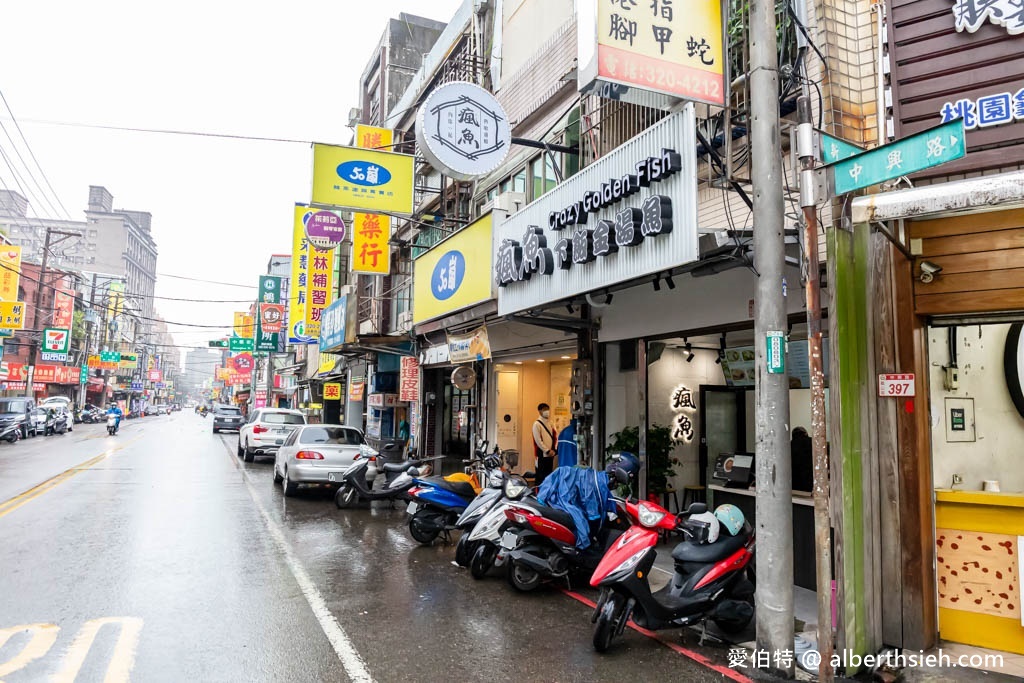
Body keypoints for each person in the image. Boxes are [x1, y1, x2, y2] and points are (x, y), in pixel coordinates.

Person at [531, 403, 557, 486]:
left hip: (550, 455)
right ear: (539, 411)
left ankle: (547, 494)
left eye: (548, 409)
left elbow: (555, 436)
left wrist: (554, 450)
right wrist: (547, 450)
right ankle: (539, 495)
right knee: (540, 476)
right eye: (544, 409)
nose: (547, 411)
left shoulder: (550, 423)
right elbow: (538, 441)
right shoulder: (536, 424)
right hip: (541, 455)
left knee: (548, 475)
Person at [791, 426, 813, 493]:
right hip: (809, 480)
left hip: (794, 481)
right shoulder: (812, 442)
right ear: (805, 433)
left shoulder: (789, 445)